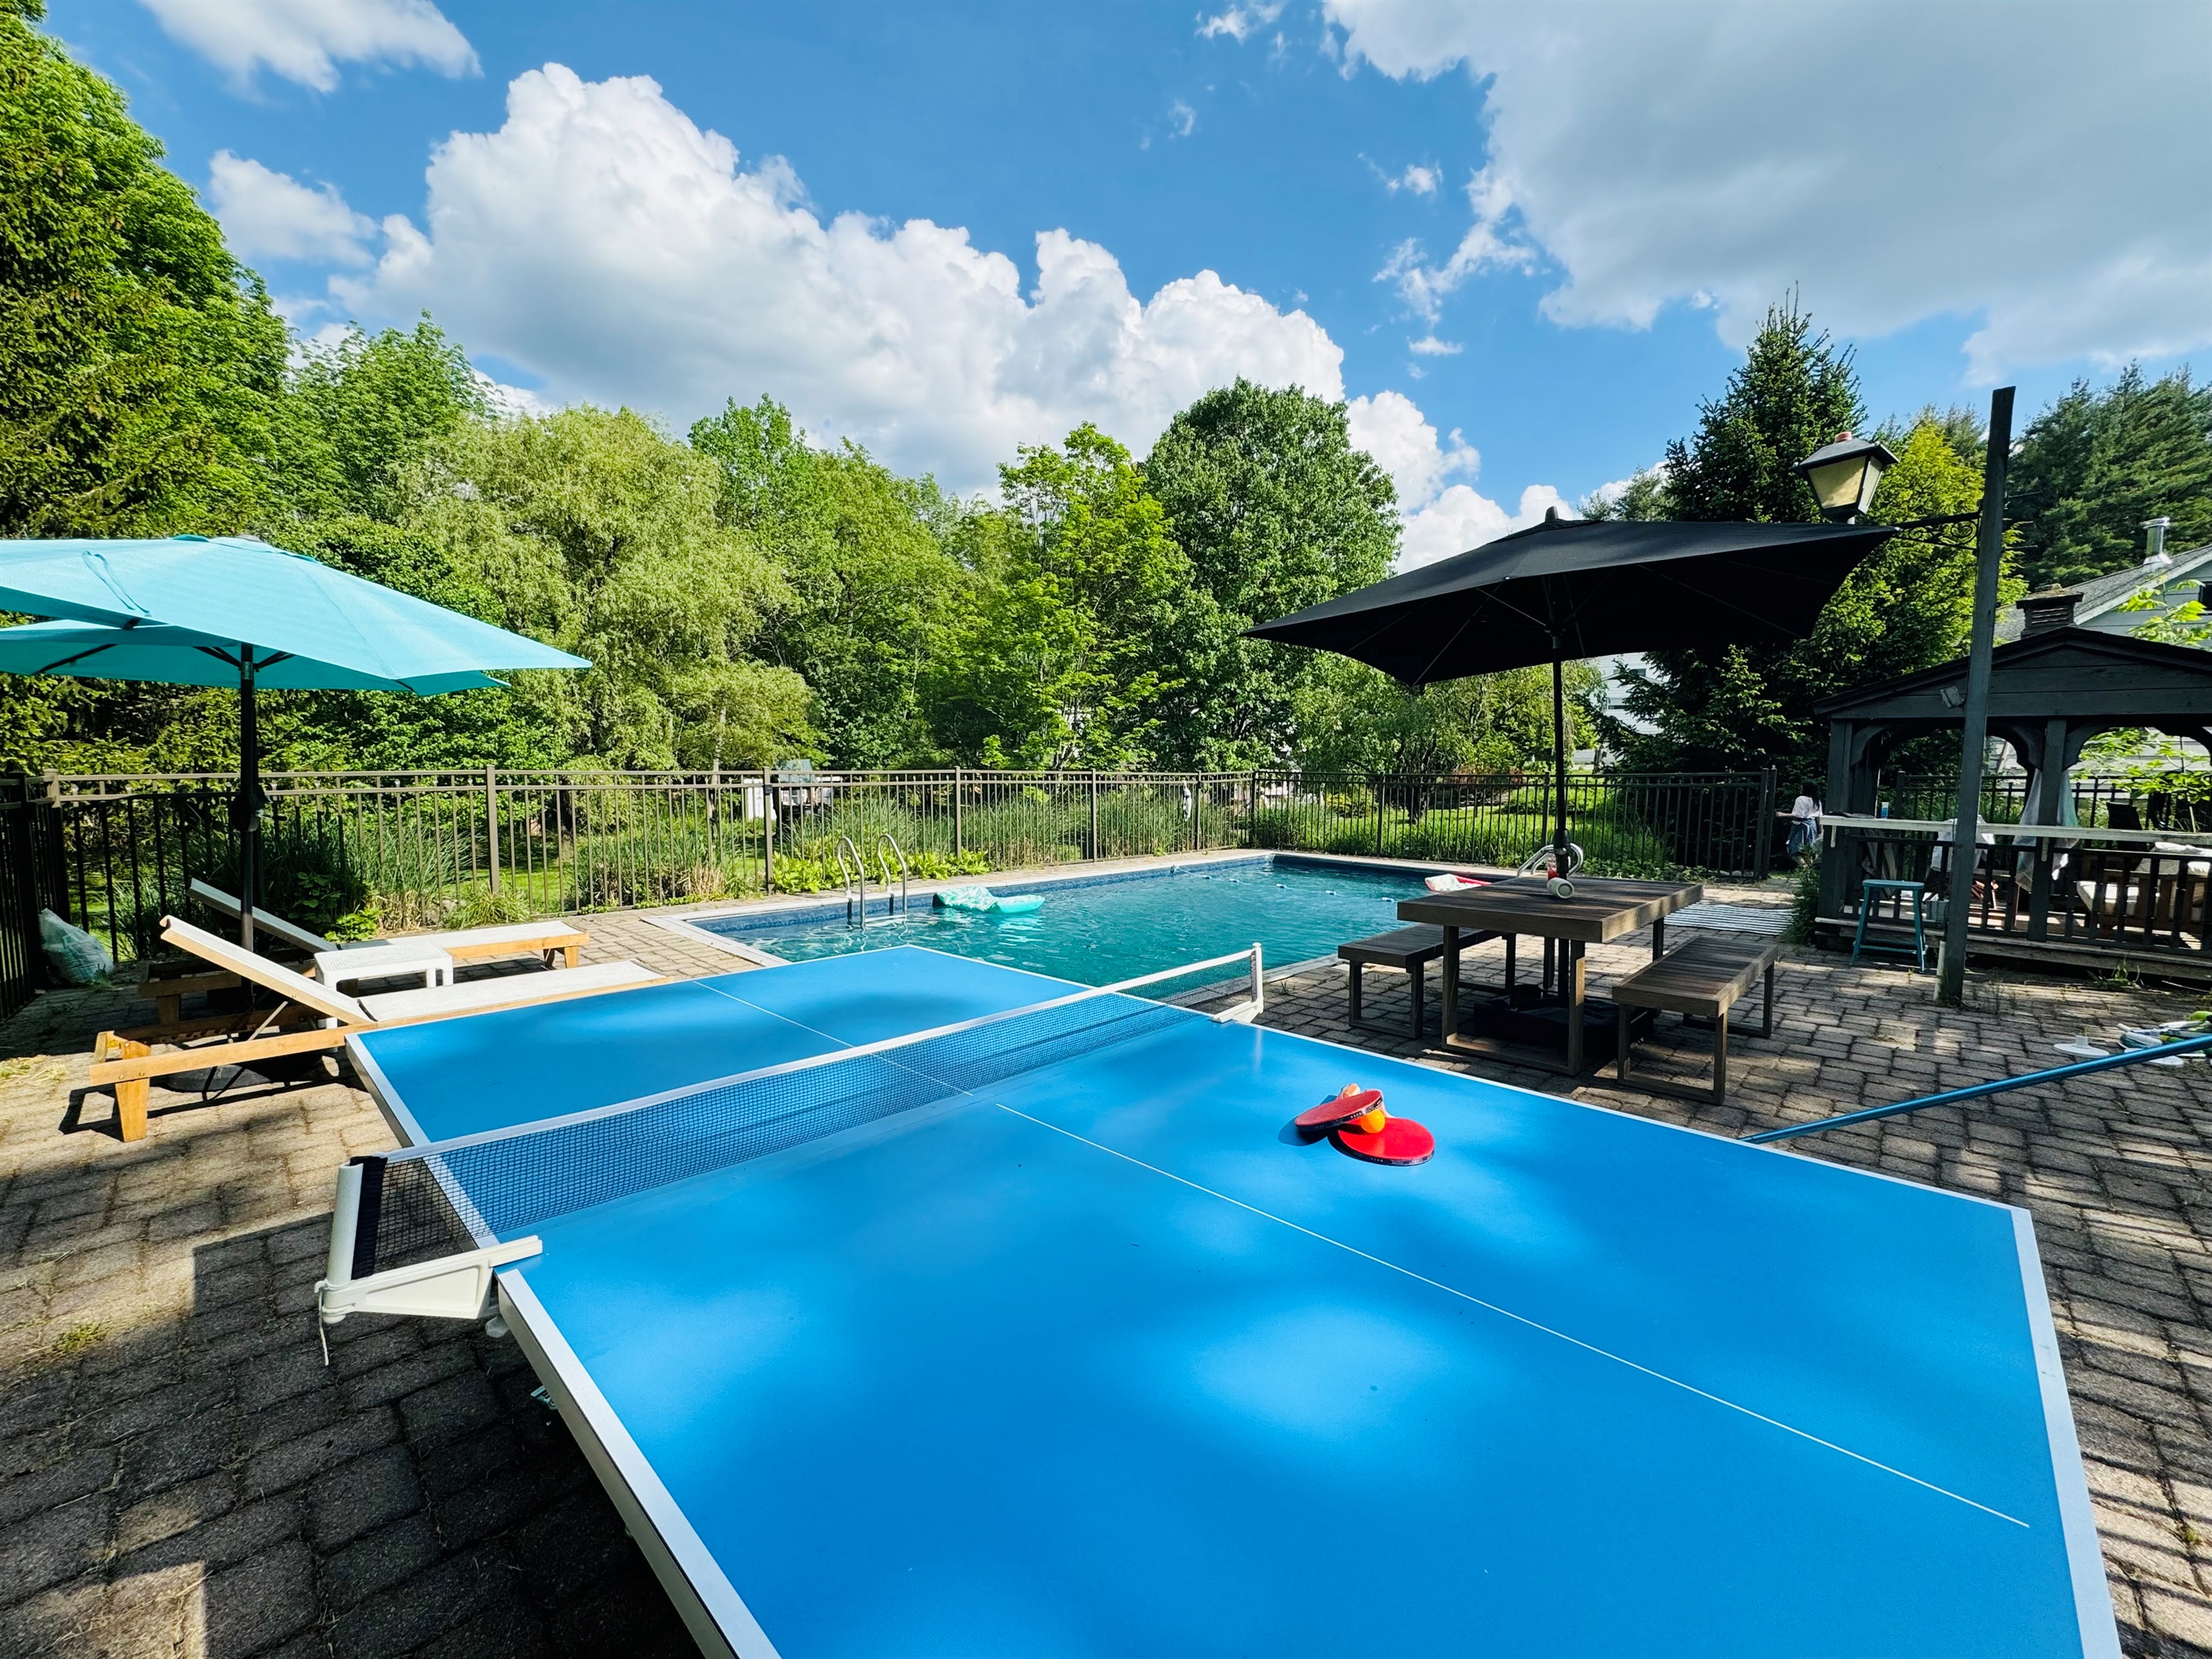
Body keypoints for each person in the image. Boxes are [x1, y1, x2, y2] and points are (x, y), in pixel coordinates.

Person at [1785, 784, 1823, 863]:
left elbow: (1799, 815)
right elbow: (1820, 817)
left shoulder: (1801, 799)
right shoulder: (1816, 801)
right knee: (1809, 851)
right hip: (1812, 825)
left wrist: (1782, 814)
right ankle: (1810, 872)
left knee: (1795, 850)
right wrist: (1820, 830)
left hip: (1801, 826)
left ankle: (1805, 868)